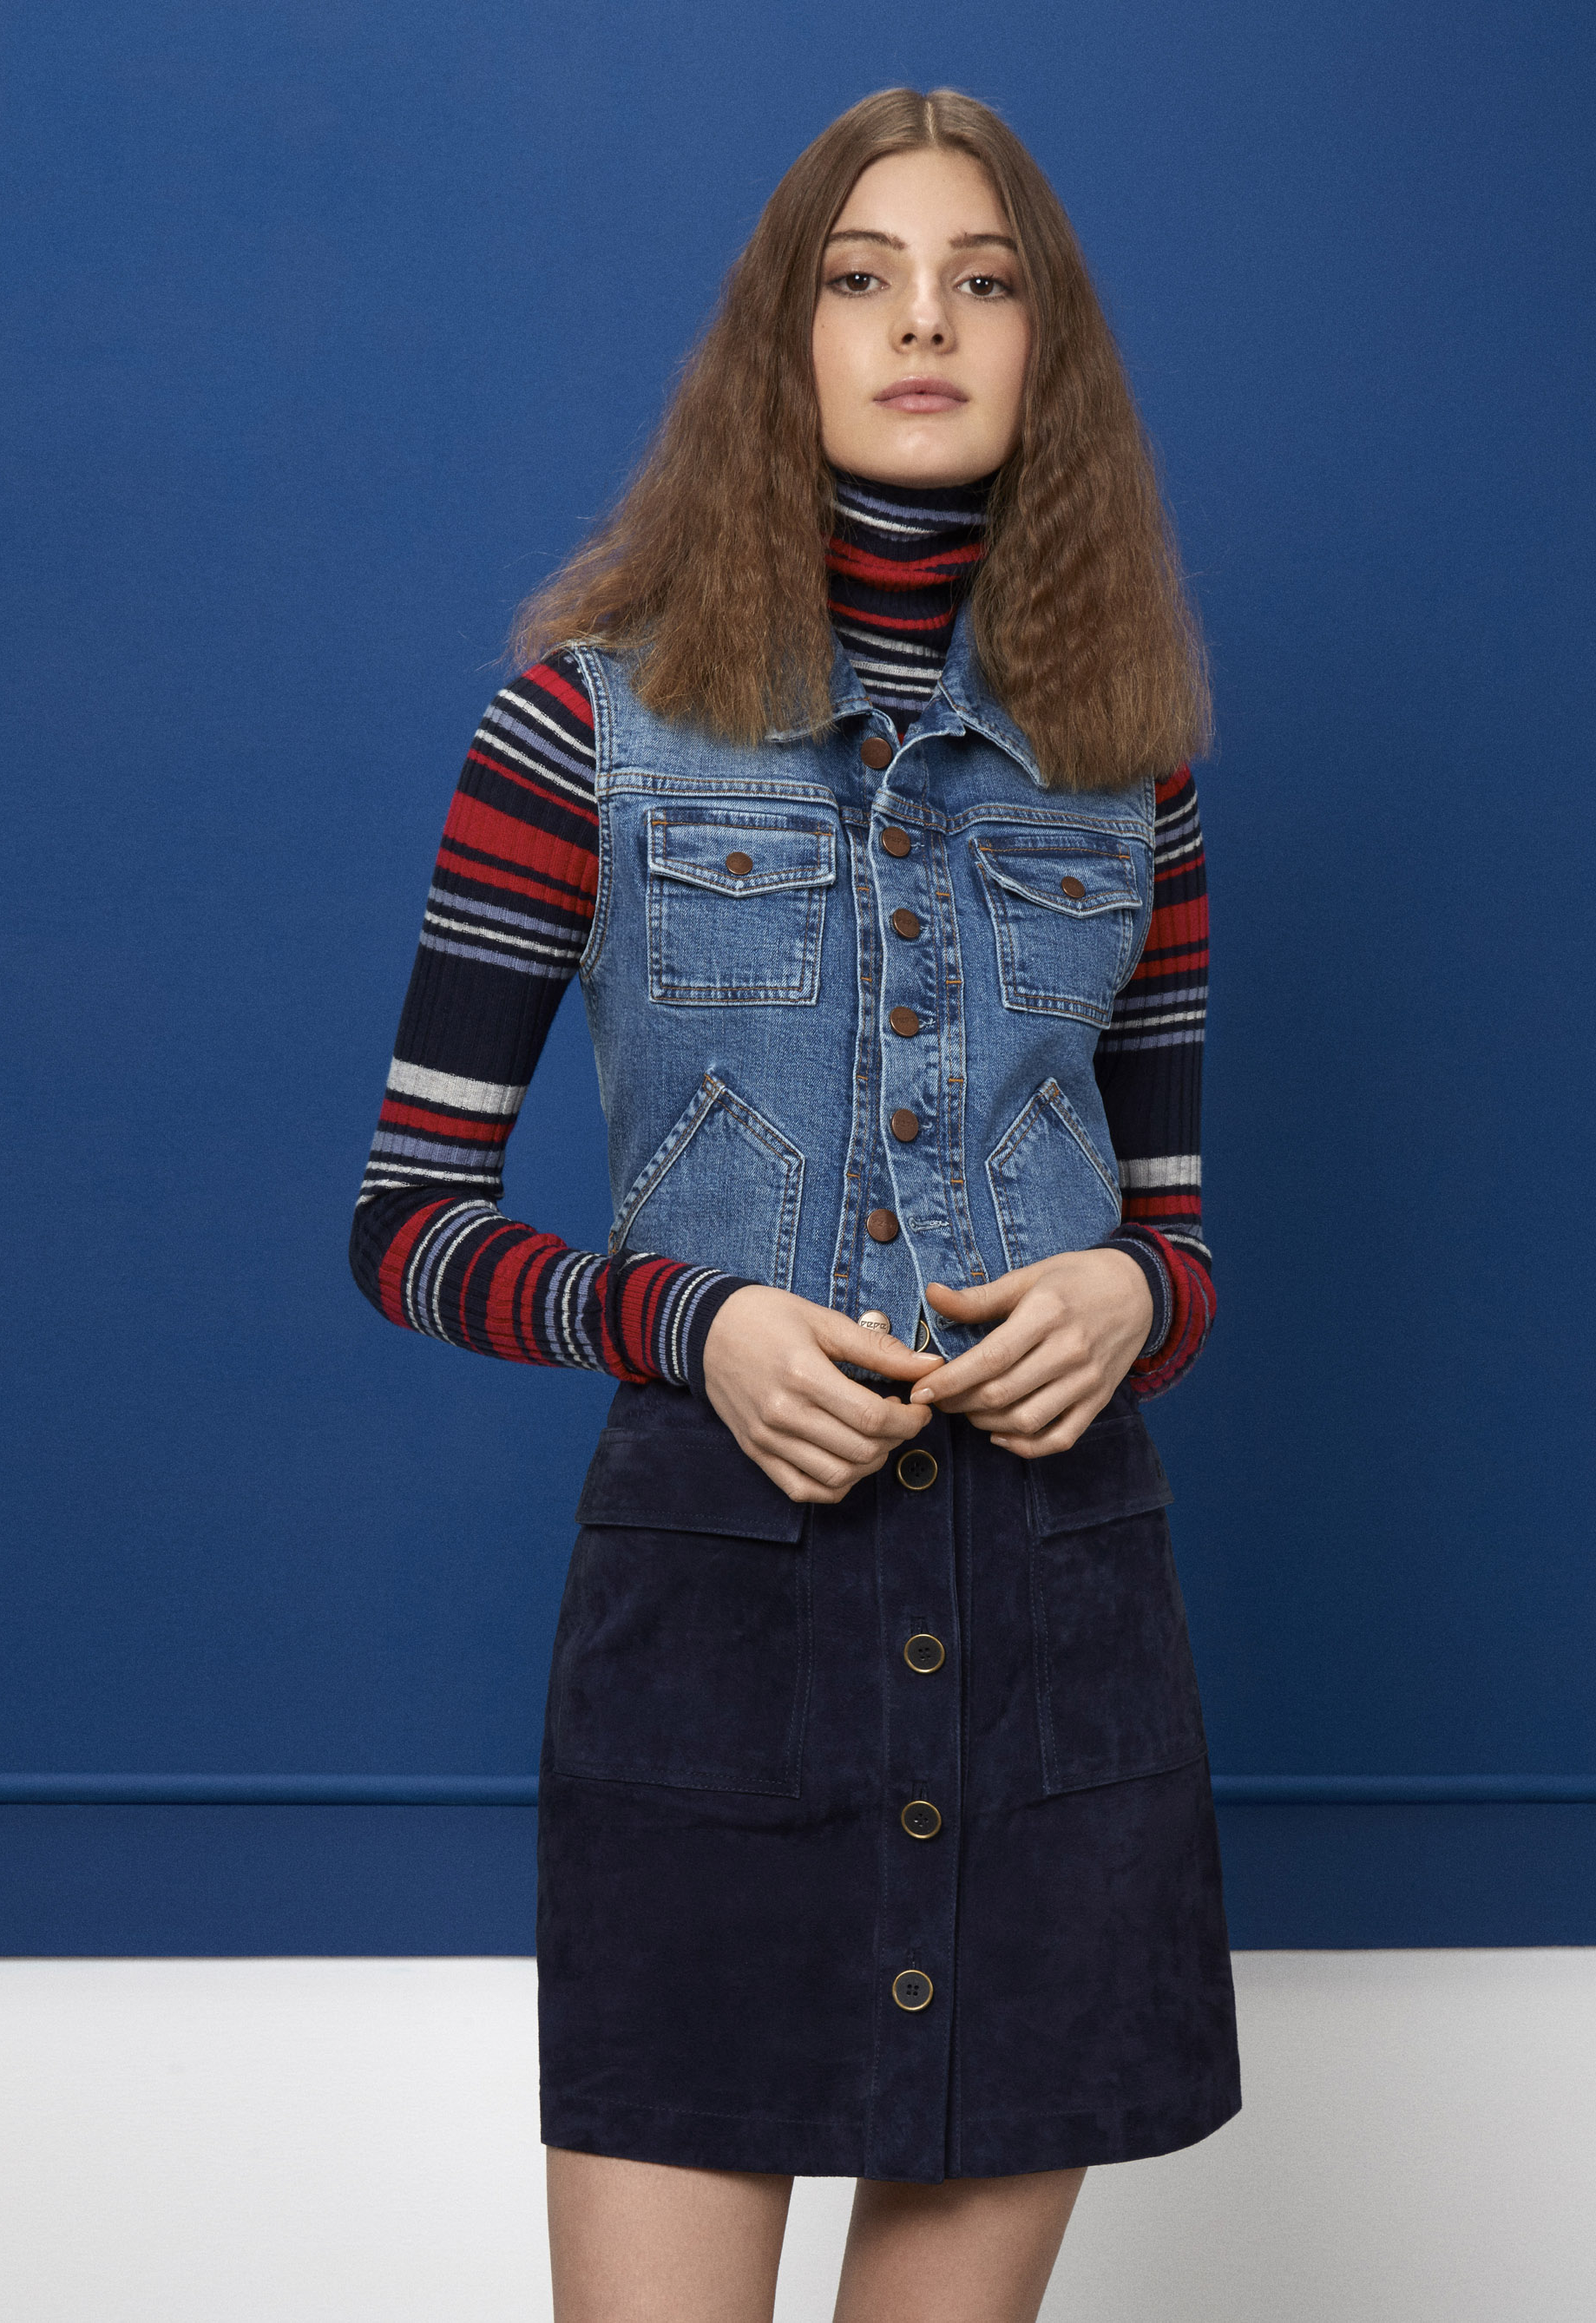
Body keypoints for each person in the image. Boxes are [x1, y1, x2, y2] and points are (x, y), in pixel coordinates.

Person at [351, 84, 1238, 2323]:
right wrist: (696, 1324)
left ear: (1045, 348)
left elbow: (1179, 1236)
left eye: (981, 279)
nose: (922, 320)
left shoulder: (1129, 765)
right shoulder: (580, 728)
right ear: (788, 338)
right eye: (862, 277)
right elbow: (408, 1216)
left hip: (1056, 1621)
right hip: (716, 1623)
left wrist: (1134, 1303)